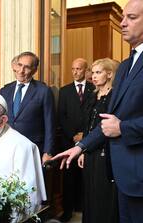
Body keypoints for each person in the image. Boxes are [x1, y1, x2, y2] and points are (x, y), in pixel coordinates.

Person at [52, 0, 143, 222]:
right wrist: (81, 147)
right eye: (122, 17)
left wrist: (123, 128)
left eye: (131, 18)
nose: (122, 23)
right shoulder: (126, 64)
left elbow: (117, 125)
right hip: (122, 174)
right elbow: (107, 121)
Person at [76, 58, 119, 223]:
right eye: (93, 72)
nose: (94, 76)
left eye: (98, 72)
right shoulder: (91, 96)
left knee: (104, 193)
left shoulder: (115, 96)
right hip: (89, 151)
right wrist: (82, 150)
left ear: (109, 74)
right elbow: (87, 127)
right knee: (90, 192)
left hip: (107, 152)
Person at [0, 52, 55, 164]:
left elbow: (50, 123)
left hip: (32, 148)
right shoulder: (5, 90)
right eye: (19, 65)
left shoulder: (43, 91)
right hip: (7, 147)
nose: (21, 70)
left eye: (27, 67)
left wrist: (48, 152)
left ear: (34, 70)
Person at [57, 58, 95, 222]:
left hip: (89, 140)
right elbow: (61, 116)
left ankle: (84, 208)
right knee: (69, 177)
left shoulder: (94, 89)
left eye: (79, 69)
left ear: (86, 70)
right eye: (73, 69)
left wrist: (84, 136)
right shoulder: (64, 91)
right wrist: (73, 135)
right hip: (68, 141)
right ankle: (67, 211)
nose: (75, 72)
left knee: (87, 177)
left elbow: (95, 114)